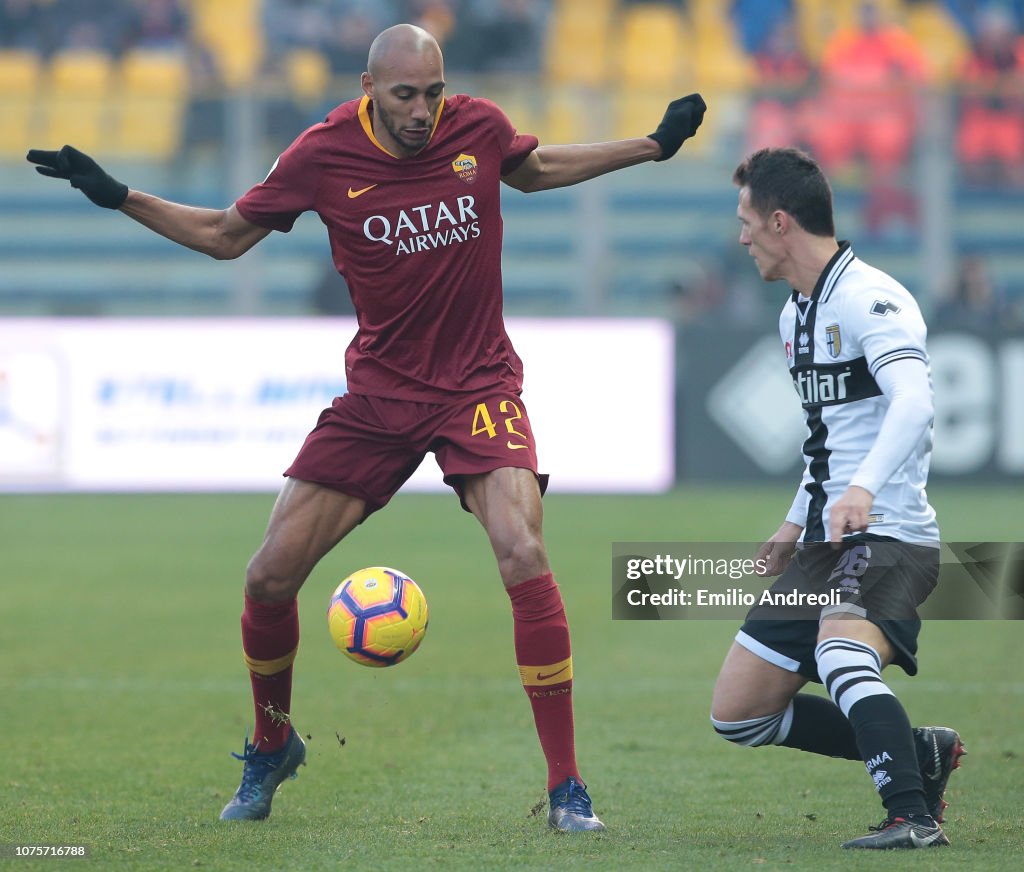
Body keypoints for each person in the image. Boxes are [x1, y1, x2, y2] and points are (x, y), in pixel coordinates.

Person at [27, 23, 706, 832]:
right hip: (380, 395)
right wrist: (119, 194)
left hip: (477, 384)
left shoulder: (475, 127)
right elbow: (223, 237)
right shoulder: (321, 154)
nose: (423, 111)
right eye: (405, 95)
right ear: (369, 87)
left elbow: (535, 168)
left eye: (433, 92)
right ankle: (271, 743)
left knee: (524, 549)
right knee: (268, 578)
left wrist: (653, 146)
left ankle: (566, 788)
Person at [710, 147, 964, 850]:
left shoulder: (869, 298)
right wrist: (796, 520)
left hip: (890, 535)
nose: (742, 237)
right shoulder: (797, 316)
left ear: (780, 222)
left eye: (746, 221)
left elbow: (914, 401)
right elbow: (828, 440)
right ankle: (919, 752)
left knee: (843, 657)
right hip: (826, 543)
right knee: (739, 715)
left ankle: (911, 817)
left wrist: (863, 488)